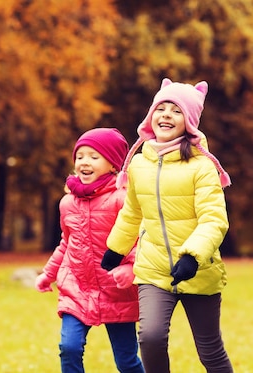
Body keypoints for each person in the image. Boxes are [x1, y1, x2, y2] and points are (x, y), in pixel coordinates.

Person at [101, 78, 233, 373]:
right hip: (153, 269)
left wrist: (192, 256)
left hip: (198, 269)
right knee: (150, 338)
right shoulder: (139, 164)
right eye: (161, 108)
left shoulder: (201, 166)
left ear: (189, 122)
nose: (166, 115)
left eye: (176, 111)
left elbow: (214, 219)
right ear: (151, 116)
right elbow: (132, 212)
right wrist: (116, 249)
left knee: (209, 349)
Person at [35, 127, 144, 373]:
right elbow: (66, 243)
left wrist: (130, 267)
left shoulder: (122, 199)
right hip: (77, 289)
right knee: (69, 347)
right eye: (80, 156)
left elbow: (139, 239)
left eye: (94, 157)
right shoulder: (67, 203)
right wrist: (48, 274)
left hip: (117, 291)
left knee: (126, 361)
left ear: (114, 165)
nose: (85, 162)